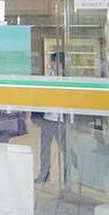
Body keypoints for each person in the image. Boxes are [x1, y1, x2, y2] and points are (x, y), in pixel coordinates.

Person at [33, 52, 65, 184]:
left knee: (66, 149)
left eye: (52, 62)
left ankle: (70, 176)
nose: (50, 64)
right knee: (45, 148)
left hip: (62, 120)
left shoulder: (67, 78)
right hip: (48, 119)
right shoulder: (48, 77)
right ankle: (44, 175)